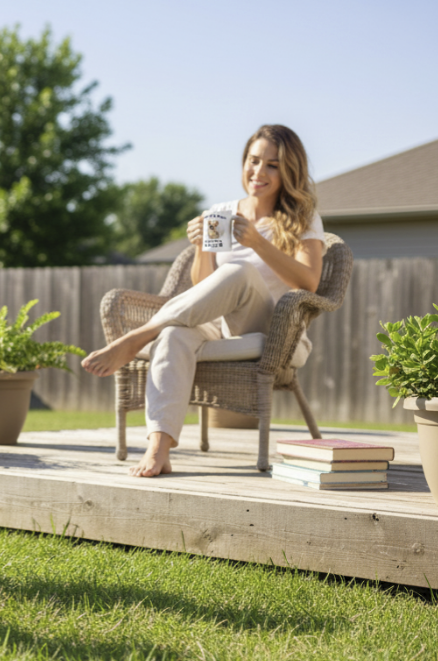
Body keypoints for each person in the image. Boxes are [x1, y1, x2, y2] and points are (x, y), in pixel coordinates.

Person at [82, 125, 326, 477]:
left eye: (272, 165)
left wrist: (258, 242)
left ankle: (138, 336)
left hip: (273, 328)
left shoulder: (303, 218)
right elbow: (205, 286)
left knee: (240, 272)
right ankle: (159, 448)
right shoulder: (222, 211)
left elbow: (309, 283)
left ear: (289, 170)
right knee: (174, 336)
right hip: (221, 323)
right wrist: (200, 247)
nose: (258, 172)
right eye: (253, 161)